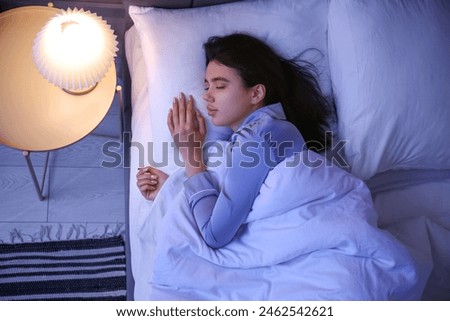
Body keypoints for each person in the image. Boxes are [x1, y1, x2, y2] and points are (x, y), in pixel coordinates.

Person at [136, 33, 334, 249]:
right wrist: (171, 189)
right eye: (206, 87)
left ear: (256, 93)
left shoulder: (258, 137)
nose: (207, 96)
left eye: (219, 86)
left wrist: (192, 156)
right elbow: (236, 201)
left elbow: (214, 235)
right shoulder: (265, 132)